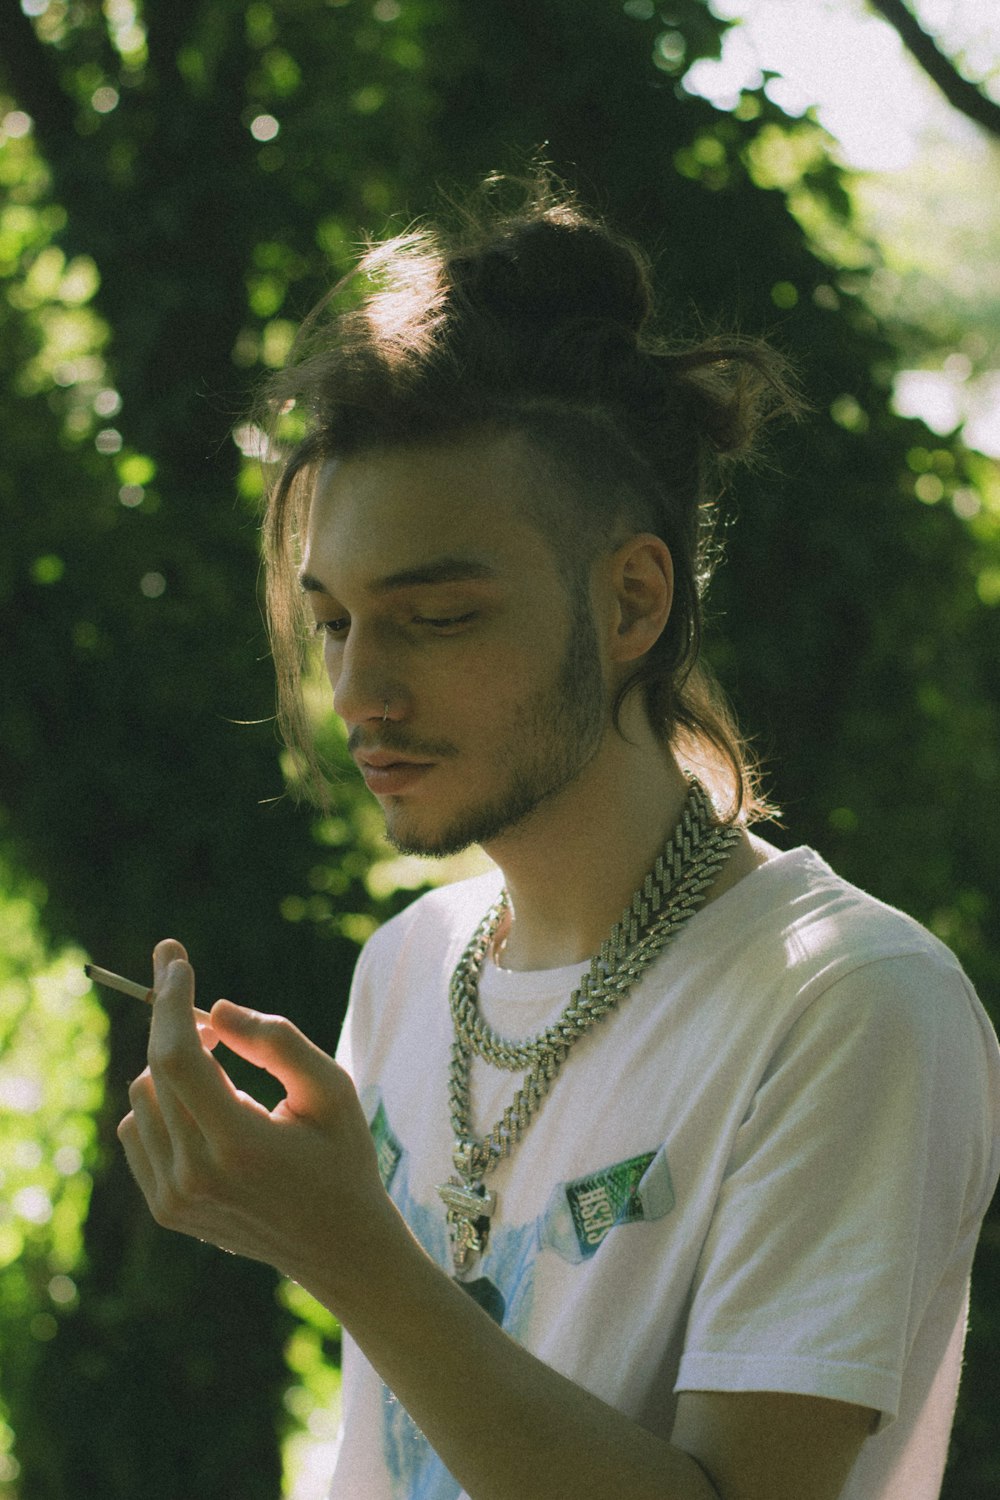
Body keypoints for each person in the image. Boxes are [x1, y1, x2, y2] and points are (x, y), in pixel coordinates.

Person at [118, 177, 1000, 1500]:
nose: (359, 693)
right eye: (339, 620)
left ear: (633, 598)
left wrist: (348, 1249)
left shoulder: (850, 1003)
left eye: (439, 616)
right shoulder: (410, 966)